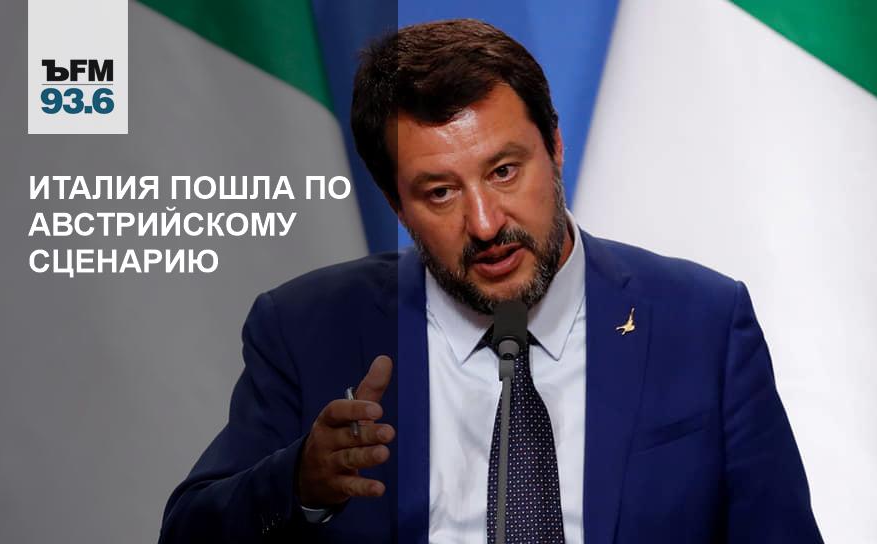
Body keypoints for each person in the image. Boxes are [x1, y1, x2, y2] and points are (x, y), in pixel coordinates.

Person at [159, 19, 823, 543]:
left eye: (504, 171)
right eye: (440, 192)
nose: (484, 223)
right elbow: (187, 530)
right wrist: (298, 483)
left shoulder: (701, 323)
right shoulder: (308, 328)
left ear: (554, 147)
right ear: (397, 205)